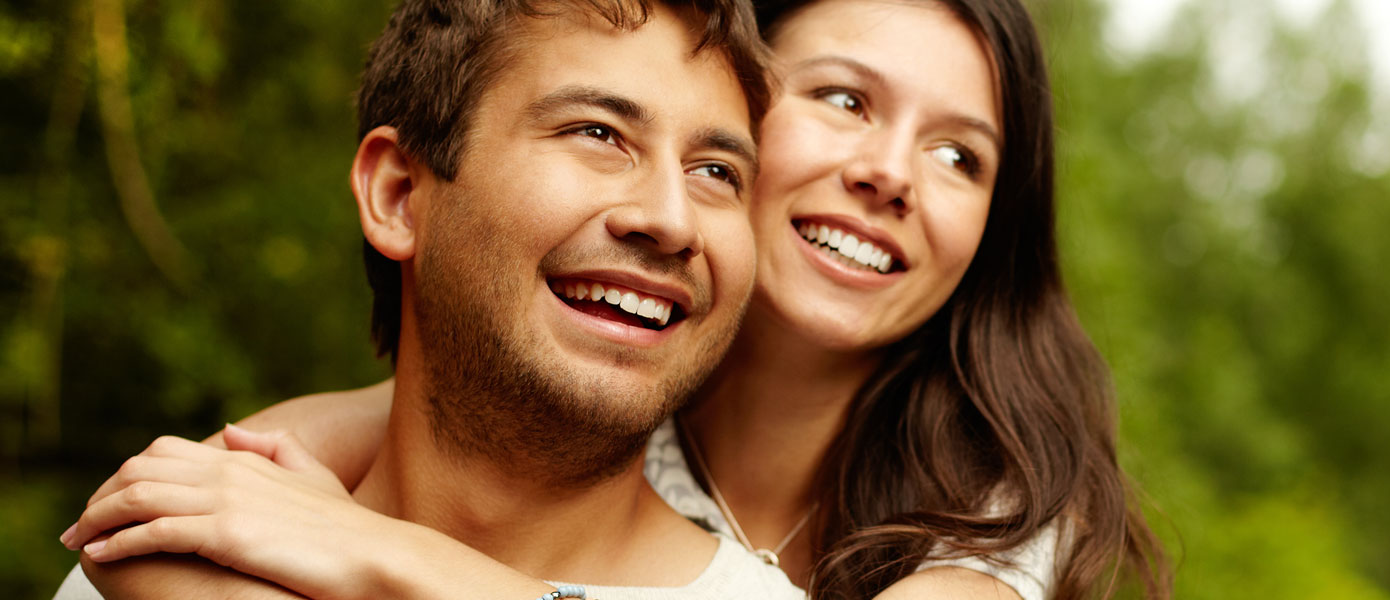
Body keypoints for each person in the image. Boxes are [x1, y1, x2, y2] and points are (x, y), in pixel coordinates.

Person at [64, 0, 1171, 598]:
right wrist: (200, 511)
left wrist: (386, 560)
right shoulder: (600, 382)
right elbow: (326, 435)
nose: (890, 173)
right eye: (842, 99)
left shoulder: (991, 507)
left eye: (960, 157)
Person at [53, 0, 803, 597]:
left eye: (716, 172)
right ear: (399, 196)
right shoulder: (162, 559)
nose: (671, 220)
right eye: (597, 132)